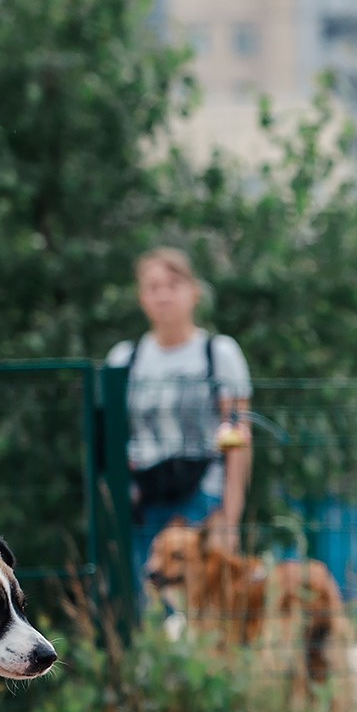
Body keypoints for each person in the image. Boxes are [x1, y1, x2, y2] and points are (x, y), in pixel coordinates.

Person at [107, 247, 252, 590]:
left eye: (173, 285)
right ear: (142, 297)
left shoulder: (218, 354)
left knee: (208, 613)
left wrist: (230, 521)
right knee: (147, 612)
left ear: (193, 292)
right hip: (144, 503)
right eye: (153, 287)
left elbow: (239, 438)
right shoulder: (124, 359)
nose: (163, 295)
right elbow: (111, 443)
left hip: (202, 500)